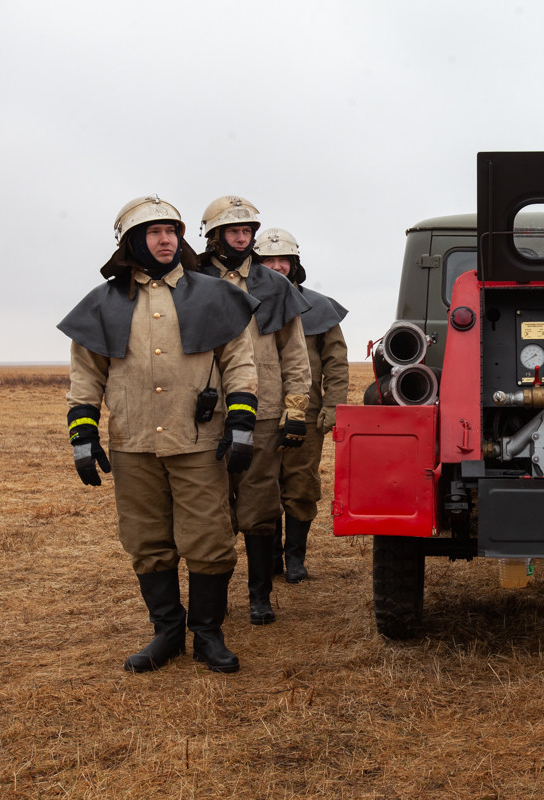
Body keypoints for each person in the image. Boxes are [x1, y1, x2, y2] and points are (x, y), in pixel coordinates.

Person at [57, 195, 260, 674]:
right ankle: (166, 633)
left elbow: (239, 363)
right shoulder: (103, 304)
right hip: (134, 443)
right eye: (154, 232)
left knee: (210, 539)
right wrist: (82, 435)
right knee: (146, 540)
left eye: (172, 230)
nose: (166, 239)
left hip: (198, 443)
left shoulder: (213, 295)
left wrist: (242, 424)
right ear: (132, 242)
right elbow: (86, 374)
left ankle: (208, 634)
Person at [197, 197, 311, 623]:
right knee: (212, 509)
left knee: (260, 507)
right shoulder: (192, 281)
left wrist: (296, 409)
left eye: (247, 230)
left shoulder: (274, 285)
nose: (242, 237)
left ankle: (260, 596)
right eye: (233, 230)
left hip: (263, 413)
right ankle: (215, 601)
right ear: (215, 234)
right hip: (209, 413)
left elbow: (296, 355)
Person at [255, 228, 349, 583]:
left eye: (284, 260)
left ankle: (295, 558)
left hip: (306, 414)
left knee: (300, 484)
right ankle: (270, 559)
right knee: (262, 487)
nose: (277, 266)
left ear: (295, 265)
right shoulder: (243, 302)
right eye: (269, 260)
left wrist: (333, 406)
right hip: (258, 411)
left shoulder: (318, 306)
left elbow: (336, 361)